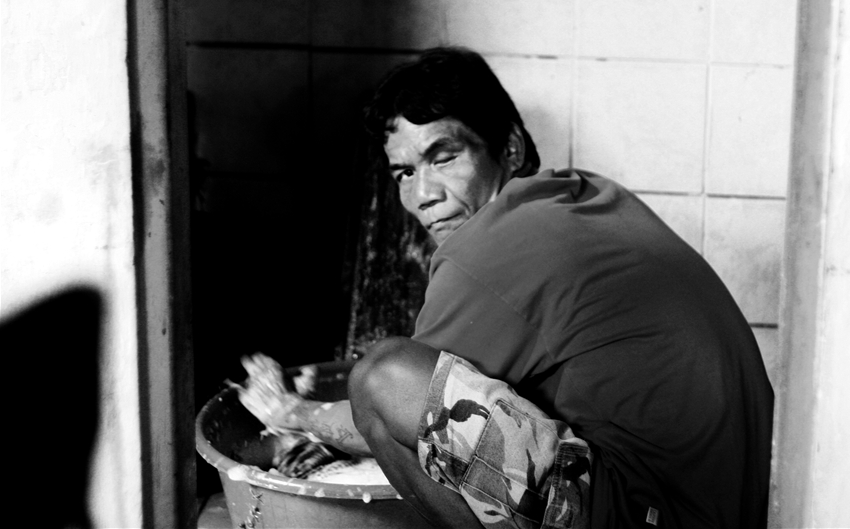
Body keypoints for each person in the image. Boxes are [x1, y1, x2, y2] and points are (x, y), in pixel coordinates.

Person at [239, 47, 774, 528]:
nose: (423, 194)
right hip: (710, 506)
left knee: (382, 376)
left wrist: (293, 414)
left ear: (510, 148)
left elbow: (399, 409)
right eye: (403, 173)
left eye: (443, 157)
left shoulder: (497, 246)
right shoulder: (580, 198)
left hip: (652, 513)